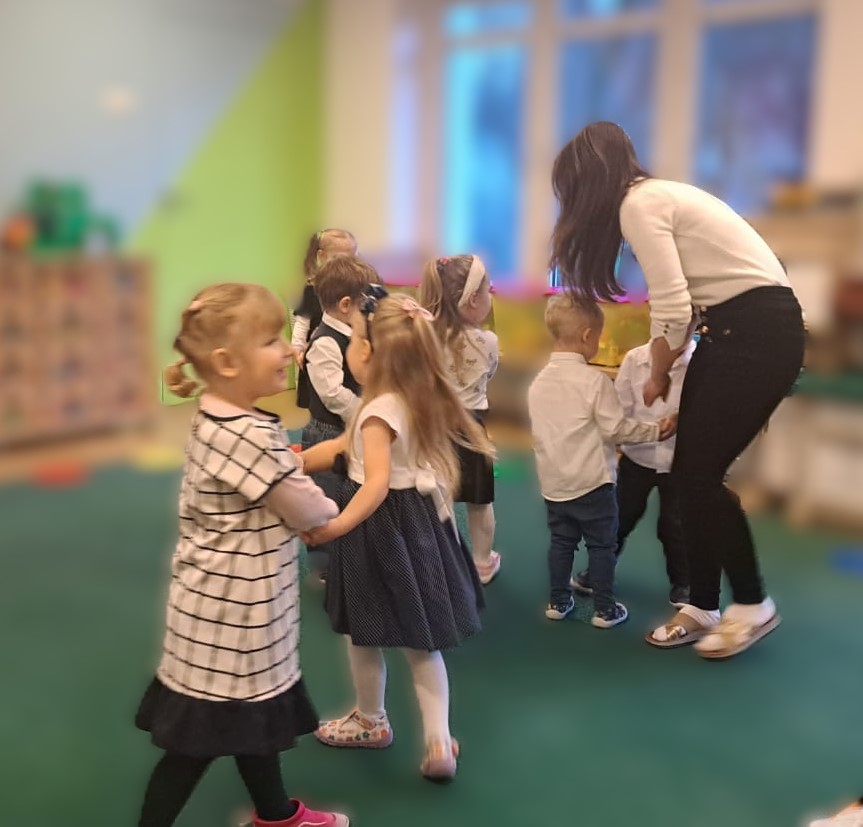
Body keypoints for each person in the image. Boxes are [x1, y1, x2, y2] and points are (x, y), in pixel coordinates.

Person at [550, 120, 805, 658]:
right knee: (692, 476)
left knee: (697, 476)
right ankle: (703, 605)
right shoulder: (655, 199)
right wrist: (664, 365)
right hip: (732, 329)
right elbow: (684, 308)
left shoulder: (639, 204)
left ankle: (752, 604)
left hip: (758, 333)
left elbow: (671, 306)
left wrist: (658, 371)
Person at [136, 283, 349, 827]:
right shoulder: (247, 435)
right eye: (271, 340)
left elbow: (269, 475)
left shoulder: (224, 419)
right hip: (230, 624)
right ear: (227, 363)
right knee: (194, 748)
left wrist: (313, 458)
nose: (288, 349)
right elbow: (308, 509)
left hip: (229, 614)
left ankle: (277, 816)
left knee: (252, 722)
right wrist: (335, 505)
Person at [301, 285, 492, 782]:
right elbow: (343, 449)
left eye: (352, 339)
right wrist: (295, 462)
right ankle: (438, 741)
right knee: (421, 642)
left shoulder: (377, 412)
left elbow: (376, 482)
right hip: (419, 527)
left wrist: (336, 525)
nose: (349, 347)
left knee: (363, 632)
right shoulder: (409, 398)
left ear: (367, 352)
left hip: (379, 529)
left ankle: (371, 719)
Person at [528, 293, 677, 628]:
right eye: (598, 336)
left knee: (561, 543)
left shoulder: (538, 383)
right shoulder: (594, 382)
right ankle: (605, 609)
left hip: (554, 484)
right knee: (601, 546)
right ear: (587, 336)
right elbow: (616, 429)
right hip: (593, 484)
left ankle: (558, 601)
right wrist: (656, 431)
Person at [571, 336, 695, 609]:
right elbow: (620, 409)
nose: (674, 333)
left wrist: (681, 420)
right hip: (637, 456)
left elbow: (706, 411)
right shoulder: (635, 359)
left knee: (676, 525)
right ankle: (600, 569)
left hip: (681, 462)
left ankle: (684, 582)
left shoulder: (700, 363)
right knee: (620, 515)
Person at [418, 254, 501, 584]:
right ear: (473, 300)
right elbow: (489, 374)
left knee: (443, 497)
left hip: (434, 428)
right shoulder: (488, 341)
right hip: (472, 428)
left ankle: (447, 562)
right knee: (480, 501)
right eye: (488, 290)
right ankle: (482, 563)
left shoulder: (425, 336)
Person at [299, 256, 380, 578]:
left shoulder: (353, 336)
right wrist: (364, 413)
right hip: (327, 432)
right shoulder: (325, 342)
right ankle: (324, 567)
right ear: (346, 305)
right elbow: (332, 394)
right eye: (365, 304)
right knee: (325, 498)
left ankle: (349, 556)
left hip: (350, 431)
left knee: (352, 491)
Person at [292, 228, 357, 408]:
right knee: (319, 395)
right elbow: (302, 322)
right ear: (322, 255)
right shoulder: (312, 288)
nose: (345, 264)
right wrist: (297, 348)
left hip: (345, 350)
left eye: (351, 258)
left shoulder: (355, 287)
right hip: (318, 350)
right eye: (339, 258)